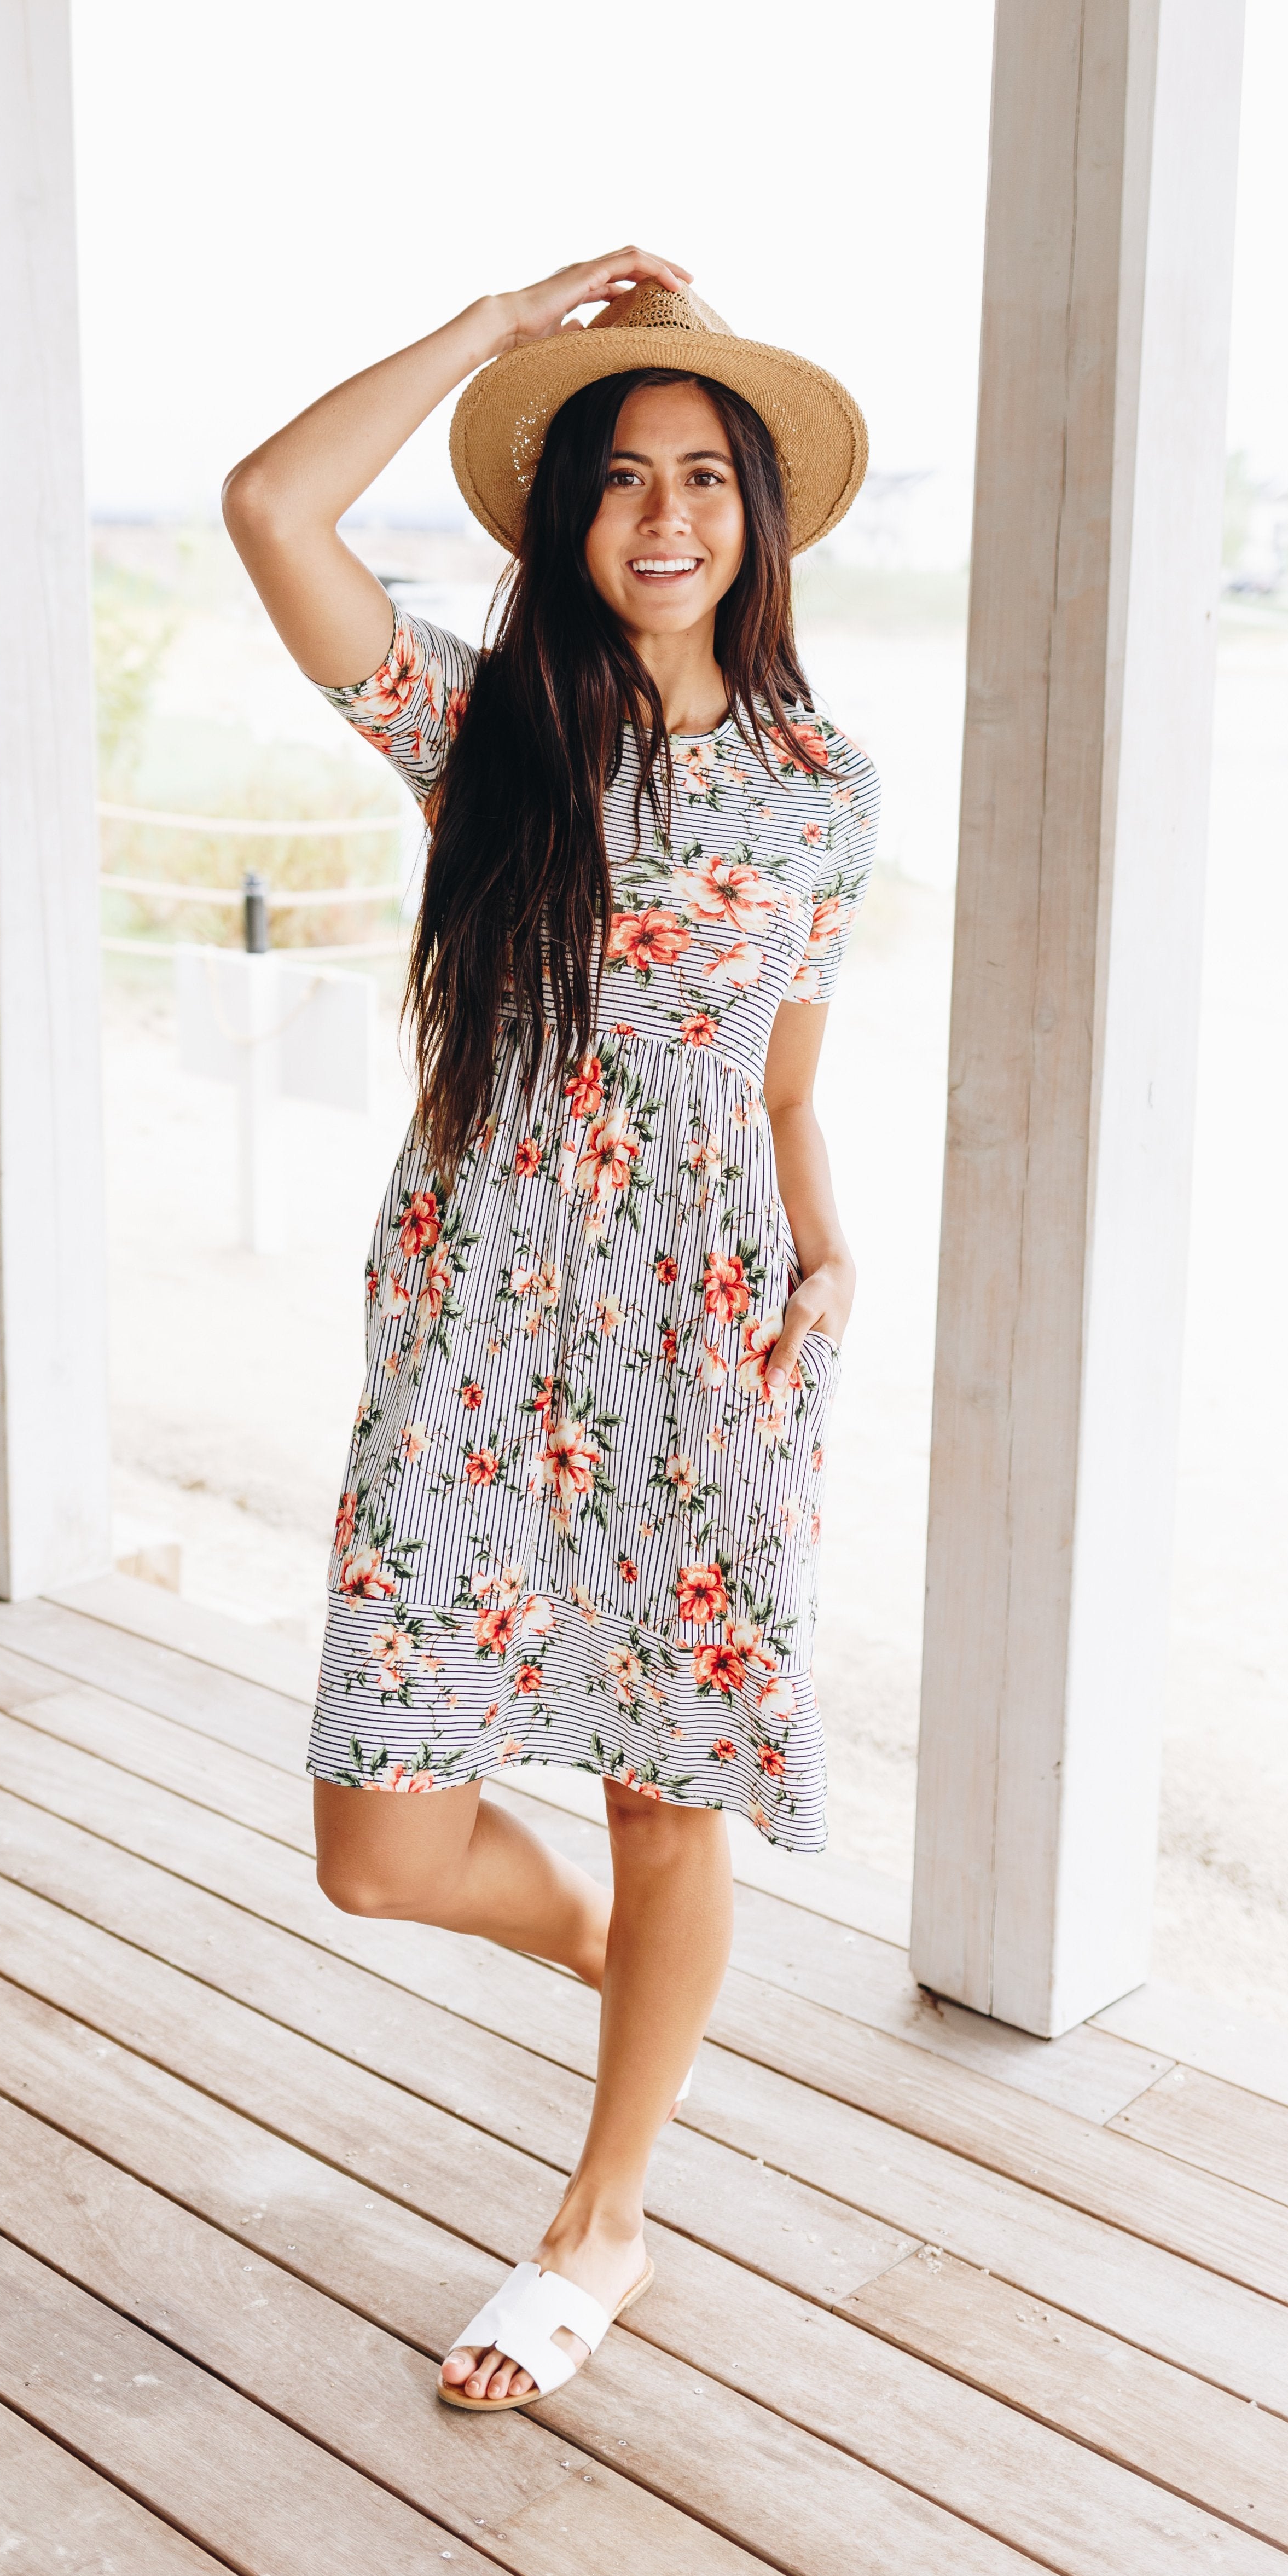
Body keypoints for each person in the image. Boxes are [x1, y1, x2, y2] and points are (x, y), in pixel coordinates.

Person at [223, 247, 879, 2413]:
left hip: (707, 1330)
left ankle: (601, 2224)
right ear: (560, 519)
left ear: (758, 517)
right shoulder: (477, 729)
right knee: (380, 1844)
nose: (667, 516)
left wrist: (828, 1240)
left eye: (706, 477)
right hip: (478, 1315)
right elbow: (270, 509)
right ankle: (632, 1979)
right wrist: (500, 331)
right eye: (618, 478)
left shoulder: (825, 789)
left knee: (660, 1790)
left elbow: (781, 1079)